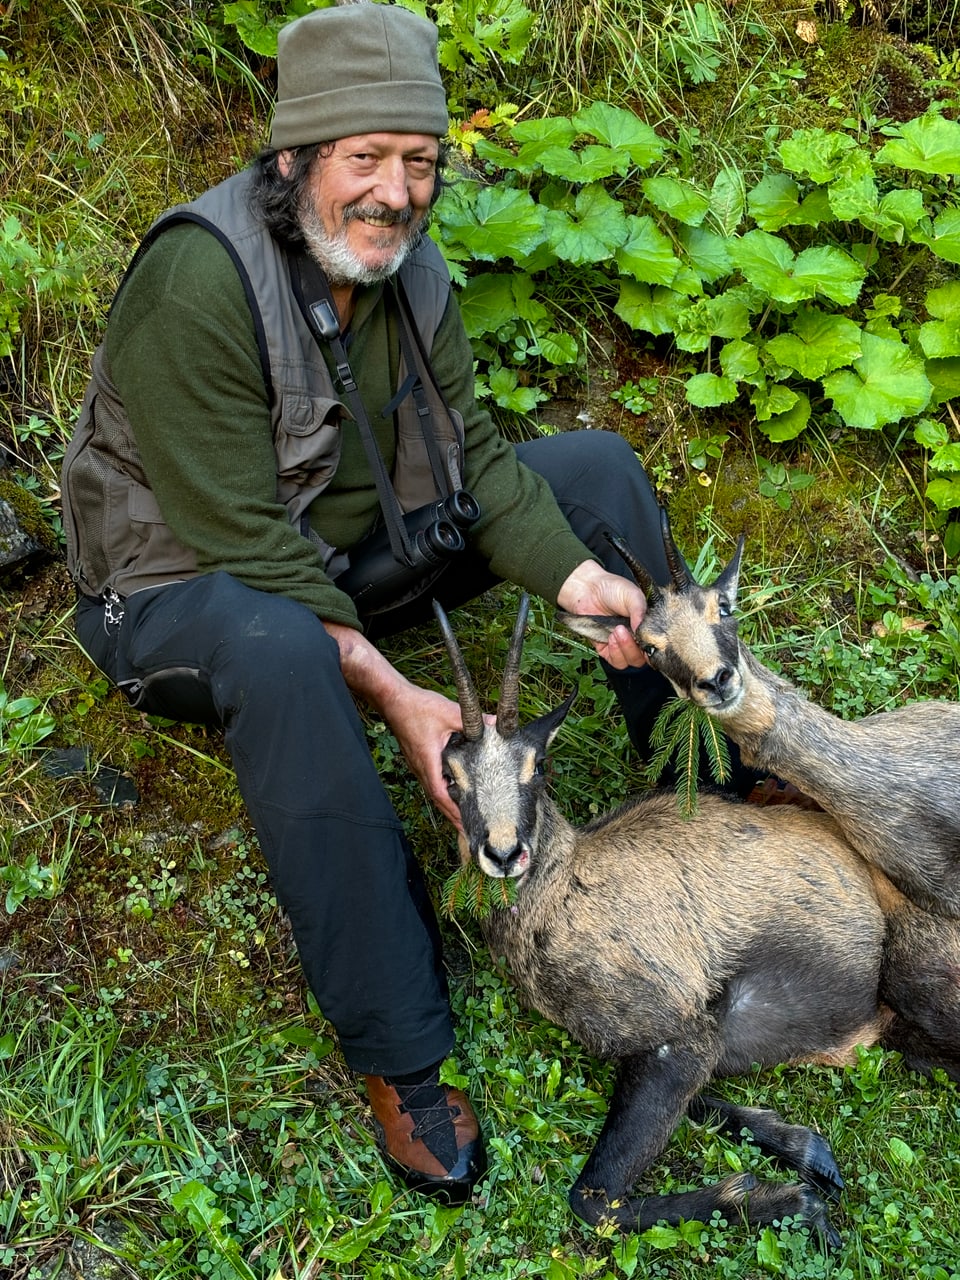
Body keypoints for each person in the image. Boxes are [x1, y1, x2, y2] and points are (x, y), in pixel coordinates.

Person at [61, 0, 757, 1205]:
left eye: (418, 161)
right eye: (364, 158)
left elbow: (481, 462)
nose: (394, 191)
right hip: (188, 595)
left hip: (346, 554)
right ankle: (402, 1048)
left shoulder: (407, 269)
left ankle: (709, 794)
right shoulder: (197, 279)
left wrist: (576, 576)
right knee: (286, 650)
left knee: (591, 474)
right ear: (295, 159)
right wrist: (389, 689)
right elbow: (238, 538)